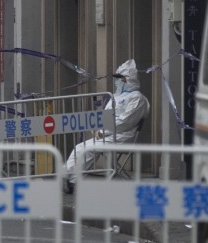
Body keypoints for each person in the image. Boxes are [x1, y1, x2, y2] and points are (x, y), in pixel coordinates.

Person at [64, 59, 150, 187]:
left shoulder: (137, 98)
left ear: (125, 79)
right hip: (108, 135)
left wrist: (104, 131)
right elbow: (106, 117)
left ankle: (70, 180)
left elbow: (126, 122)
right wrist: (97, 127)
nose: (115, 81)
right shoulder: (115, 97)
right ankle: (68, 178)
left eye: (117, 78)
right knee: (80, 147)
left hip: (123, 136)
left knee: (88, 149)